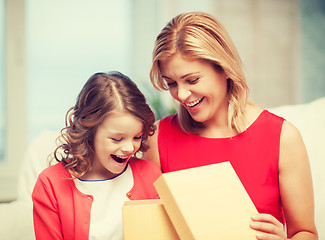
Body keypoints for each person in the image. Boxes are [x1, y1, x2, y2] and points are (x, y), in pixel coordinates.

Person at [145, 12, 318, 239]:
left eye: (192, 80)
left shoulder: (283, 138)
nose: (182, 94)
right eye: (171, 83)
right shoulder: (157, 140)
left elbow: (305, 232)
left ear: (224, 68)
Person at [32, 71, 162, 240]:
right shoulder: (50, 184)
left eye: (137, 137)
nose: (130, 148)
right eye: (117, 139)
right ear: (90, 132)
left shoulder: (150, 175)